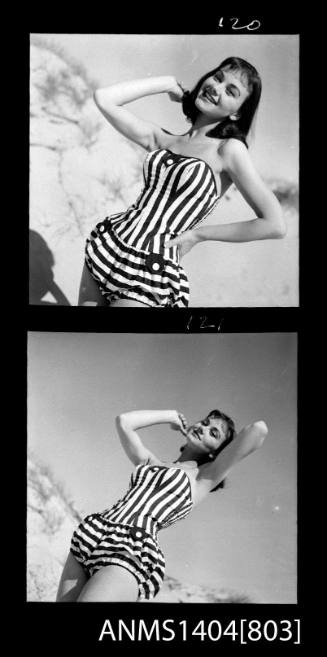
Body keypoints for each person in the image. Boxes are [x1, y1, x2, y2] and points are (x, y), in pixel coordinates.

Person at [78, 56, 286, 308]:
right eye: (217, 78)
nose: (216, 88)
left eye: (231, 91)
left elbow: (274, 224)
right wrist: (166, 84)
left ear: (237, 113)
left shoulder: (229, 151)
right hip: (108, 247)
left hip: (150, 274)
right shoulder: (164, 140)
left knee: (114, 346)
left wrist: (199, 235)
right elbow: (104, 98)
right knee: (87, 339)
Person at [56, 408, 268, 602]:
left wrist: (226, 455)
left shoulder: (203, 478)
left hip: (131, 549)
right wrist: (170, 416)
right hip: (91, 534)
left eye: (214, 433)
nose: (203, 429)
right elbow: (124, 422)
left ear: (217, 451)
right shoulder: (150, 461)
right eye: (204, 423)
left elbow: (258, 430)